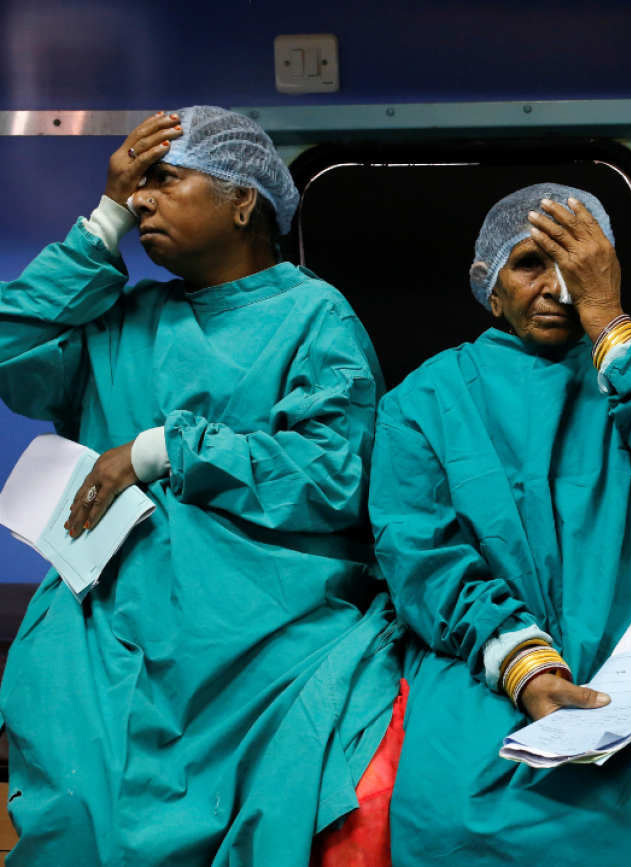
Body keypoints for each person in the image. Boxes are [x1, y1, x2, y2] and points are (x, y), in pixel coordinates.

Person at [0, 107, 403, 867]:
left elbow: (335, 475)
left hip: (262, 633)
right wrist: (101, 222)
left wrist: (163, 448)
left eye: (163, 180)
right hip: (107, 636)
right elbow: (6, 339)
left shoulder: (311, 316)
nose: (142, 199)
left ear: (243, 199)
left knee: (268, 807)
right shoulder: (119, 319)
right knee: (82, 811)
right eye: (134, 189)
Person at [368, 183, 631, 867]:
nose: (556, 288)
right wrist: (521, 663)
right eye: (528, 265)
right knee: (454, 815)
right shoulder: (426, 399)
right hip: (490, 656)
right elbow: (421, 551)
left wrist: (612, 330)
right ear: (488, 286)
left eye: (577, 266)